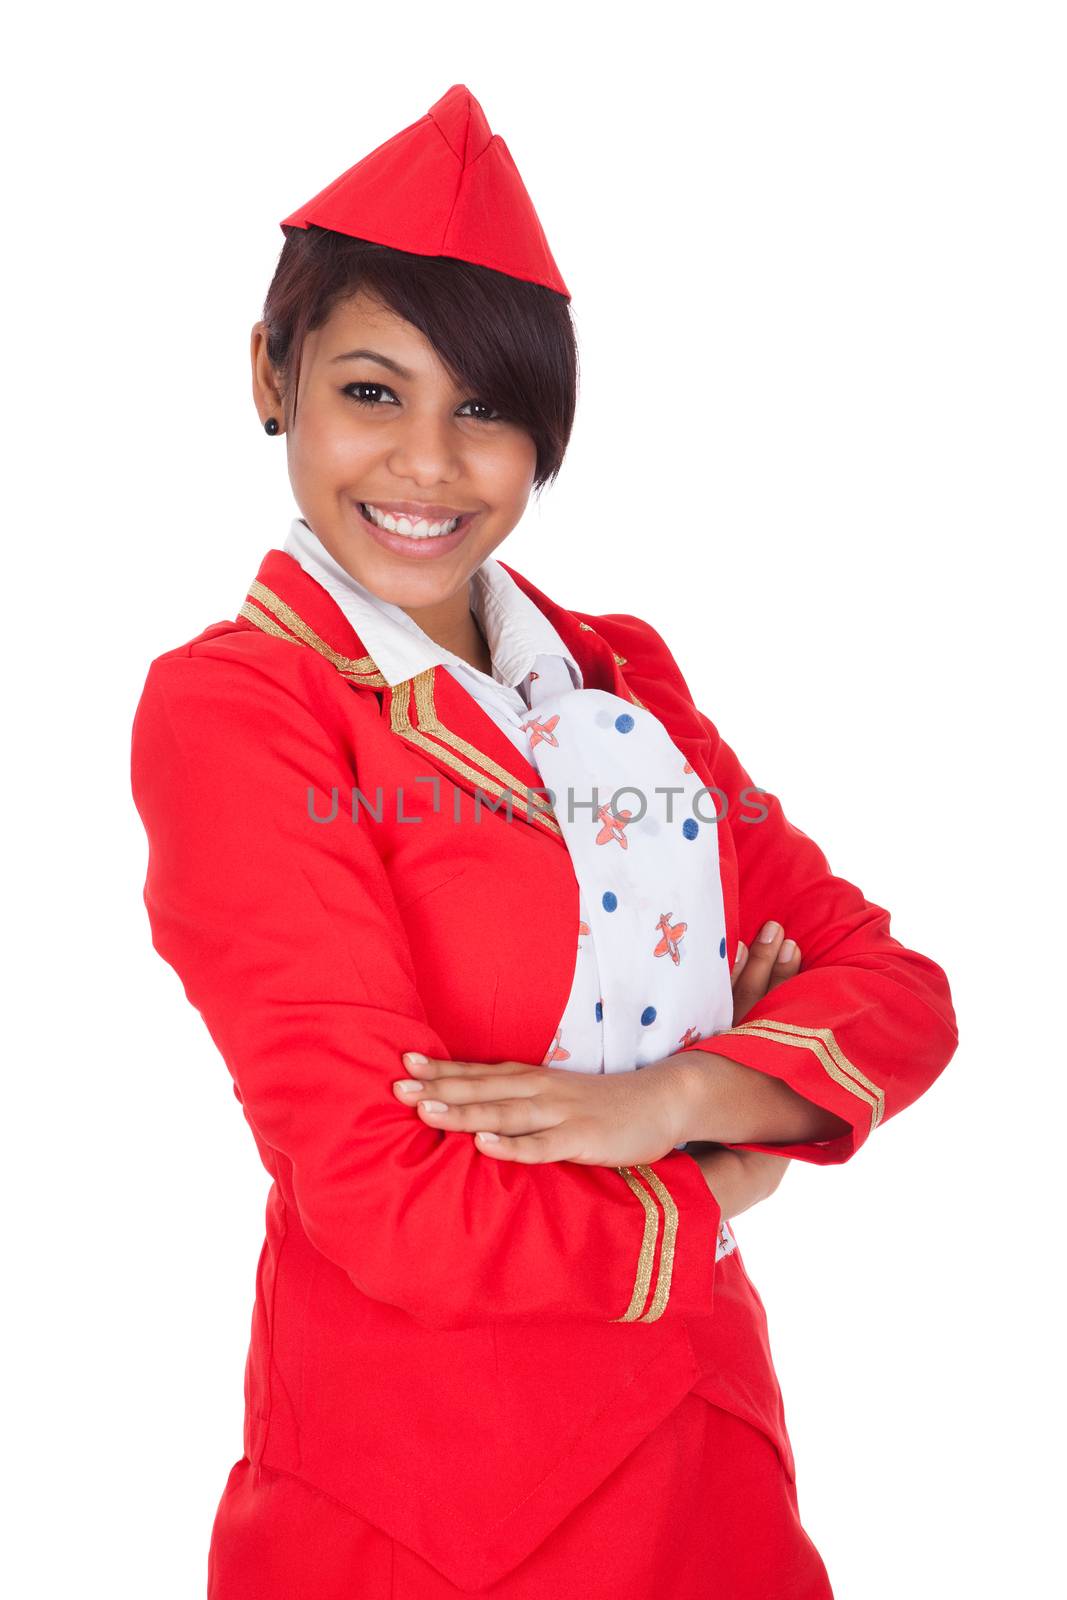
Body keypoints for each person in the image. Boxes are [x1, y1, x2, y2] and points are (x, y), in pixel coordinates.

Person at [129, 85, 958, 1599]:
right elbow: (384, 1197)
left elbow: (891, 989)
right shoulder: (243, 713)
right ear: (272, 374)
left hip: (708, 1465)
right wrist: (710, 1186)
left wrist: (683, 1093)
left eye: (487, 407)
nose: (430, 465)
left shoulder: (623, 683)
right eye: (373, 393)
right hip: (422, 1505)